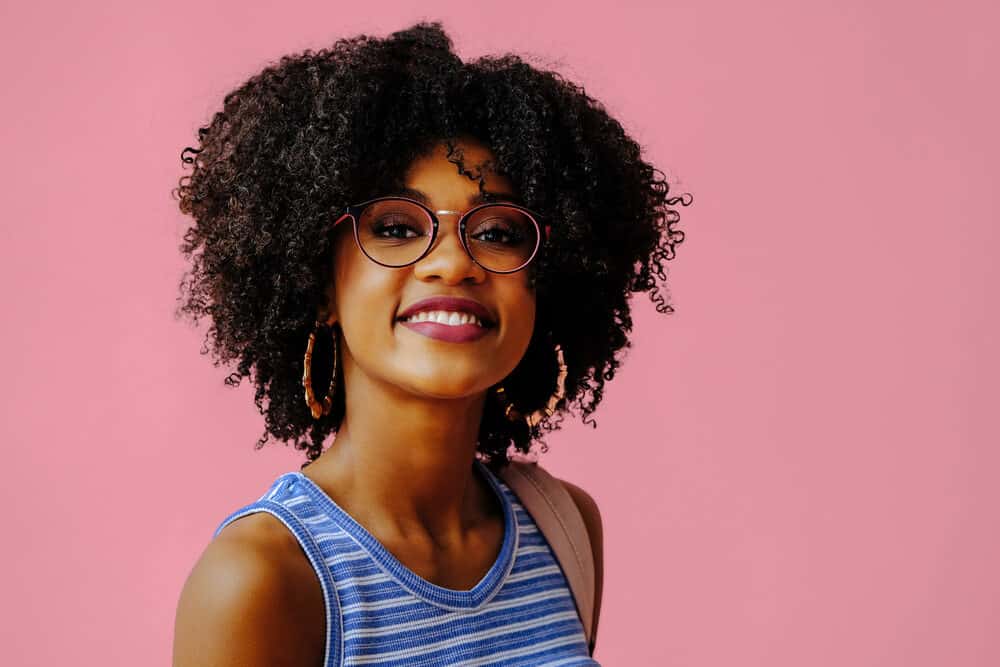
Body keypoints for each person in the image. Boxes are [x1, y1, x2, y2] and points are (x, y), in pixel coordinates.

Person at [170, 20, 689, 666]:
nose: (453, 263)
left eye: (497, 231)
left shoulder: (564, 530)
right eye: (394, 226)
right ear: (320, 286)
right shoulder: (263, 581)